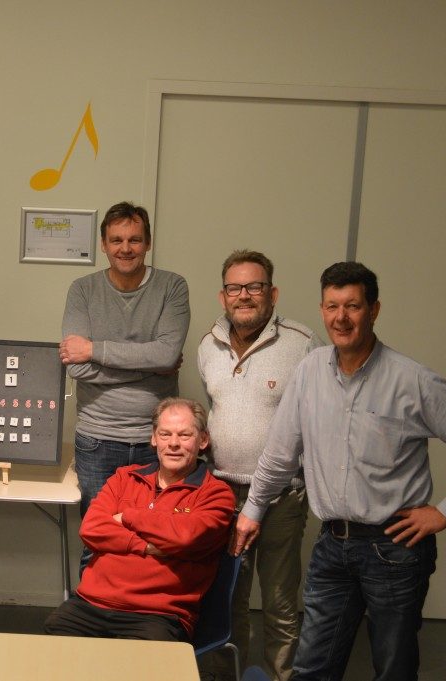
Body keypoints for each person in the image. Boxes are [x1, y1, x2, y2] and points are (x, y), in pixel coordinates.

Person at [233, 262, 446, 681]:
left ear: (374, 310)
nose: (341, 318)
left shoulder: (412, 380)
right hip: (332, 546)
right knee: (312, 669)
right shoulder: (310, 371)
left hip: (395, 550)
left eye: (353, 306)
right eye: (332, 306)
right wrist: (253, 509)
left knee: (394, 669)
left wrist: (445, 511)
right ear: (322, 310)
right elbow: (279, 454)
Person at [197, 250, 323, 681]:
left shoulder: (302, 344)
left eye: (254, 286)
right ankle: (226, 676)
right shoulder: (208, 345)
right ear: (223, 296)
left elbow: (318, 418)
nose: (244, 295)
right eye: (235, 287)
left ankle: (279, 675)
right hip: (223, 494)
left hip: (282, 498)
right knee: (227, 600)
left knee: (280, 603)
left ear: (272, 293)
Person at [60, 201, 190, 573]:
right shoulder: (83, 290)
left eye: (134, 239)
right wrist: (151, 367)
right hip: (97, 440)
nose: (126, 248)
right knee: (98, 542)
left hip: (157, 441)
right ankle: (93, 610)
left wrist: (94, 350)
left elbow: (166, 355)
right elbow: (76, 367)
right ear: (103, 244)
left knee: (156, 543)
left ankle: (141, 609)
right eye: (116, 240)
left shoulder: (172, 286)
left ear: (148, 243)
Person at [44, 398, 234, 641]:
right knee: (54, 640)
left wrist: (128, 516)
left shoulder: (216, 494)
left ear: (203, 440)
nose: (173, 443)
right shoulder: (125, 478)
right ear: (154, 438)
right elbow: (91, 527)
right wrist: (146, 545)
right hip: (91, 604)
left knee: (136, 660)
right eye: (165, 434)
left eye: (184, 435)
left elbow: (186, 537)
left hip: (158, 614)